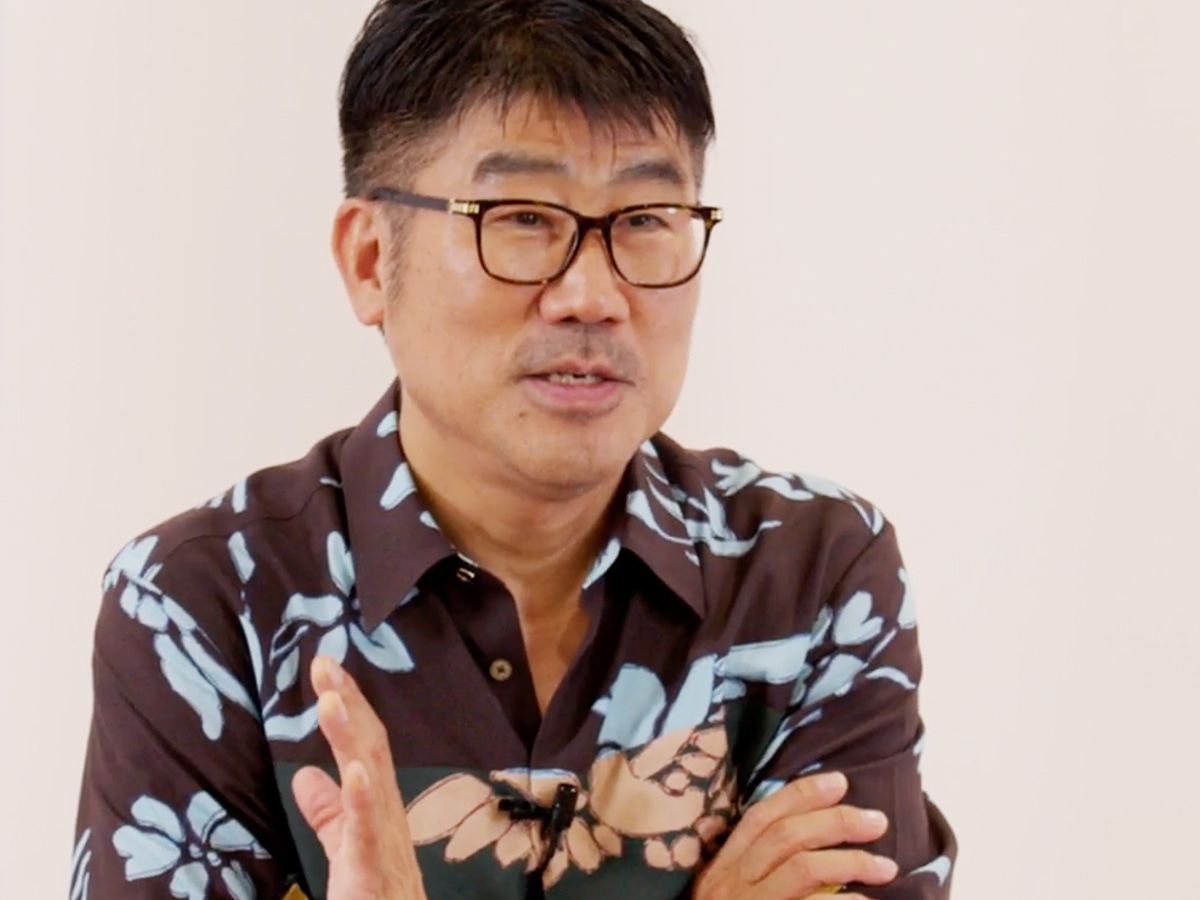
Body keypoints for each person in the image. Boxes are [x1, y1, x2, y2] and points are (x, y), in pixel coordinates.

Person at [70, 1, 957, 898]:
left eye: (646, 218)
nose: (592, 296)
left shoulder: (811, 575)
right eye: (524, 218)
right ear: (371, 261)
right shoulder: (205, 604)